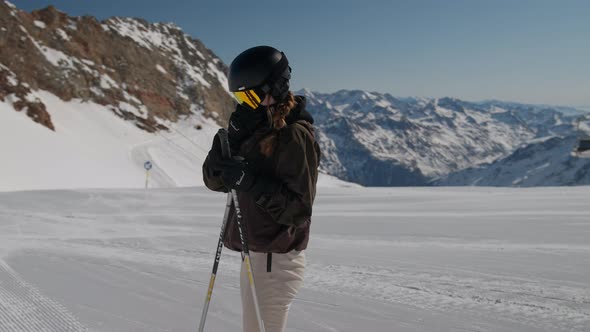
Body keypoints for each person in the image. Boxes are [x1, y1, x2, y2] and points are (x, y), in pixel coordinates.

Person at [202, 46, 321, 332]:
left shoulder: (294, 136)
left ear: (275, 88)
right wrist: (230, 141)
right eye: (241, 97)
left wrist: (251, 182)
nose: (247, 104)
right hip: (255, 256)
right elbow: (214, 180)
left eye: (251, 96)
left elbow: (298, 210)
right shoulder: (253, 129)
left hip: (276, 263)